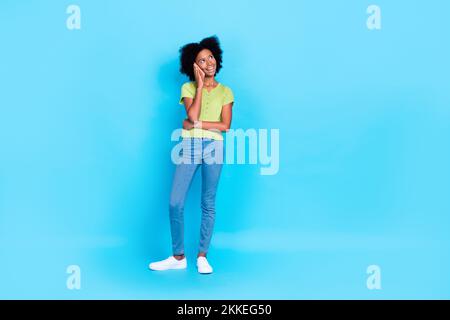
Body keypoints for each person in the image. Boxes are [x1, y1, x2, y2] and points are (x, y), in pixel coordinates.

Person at [149, 35, 234, 274]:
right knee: (175, 202)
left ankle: (202, 256)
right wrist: (197, 91)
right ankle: (178, 257)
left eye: (211, 57)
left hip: (214, 147)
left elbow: (225, 125)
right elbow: (193, 115)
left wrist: (194, 124)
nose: (209, 63)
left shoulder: (226, 92)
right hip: (190, 146)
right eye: (202, 60)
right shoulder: (187, 88)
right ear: (194, 66)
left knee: (208, 203)